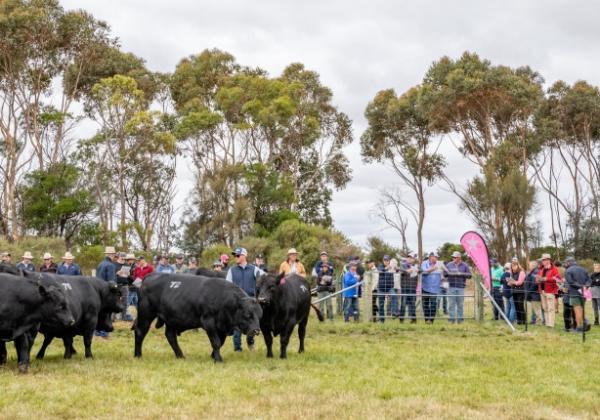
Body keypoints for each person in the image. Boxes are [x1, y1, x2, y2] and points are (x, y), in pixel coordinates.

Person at [225, 247, 263, 351]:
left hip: (251, 302)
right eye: (235, 255)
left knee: (252, 325)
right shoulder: (231, 270)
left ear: (244, 256)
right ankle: (237, 348)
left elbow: (264, 278)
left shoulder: (254, 269)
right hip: (238, 303)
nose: (235, 257)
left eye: (237, 255)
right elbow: (227, 286)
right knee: (237, 326)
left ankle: (250, 342)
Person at [563, 257, 591, 333]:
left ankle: (579, 328)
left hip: (574, 293)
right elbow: (589, 280)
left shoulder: (568, 271)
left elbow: (571, 282)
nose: (565, 264)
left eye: (565, 262)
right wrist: (585, 286)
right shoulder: (584, 269)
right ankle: (585, 322)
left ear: (569, 262)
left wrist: (580, 287)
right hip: (584, 293)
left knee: (577, 310)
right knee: (581, 309)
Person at [444, 251, 472, 324]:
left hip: (461, 287)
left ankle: (460, 320)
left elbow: (469, 275)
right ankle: (451, 320)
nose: (454, 258)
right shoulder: (449, 265)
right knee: (451, 304)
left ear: (459, 258)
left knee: (460, 304)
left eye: (455, 257)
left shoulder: (465, 265)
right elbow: (444, 274)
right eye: (453, 257)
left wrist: (461, 274)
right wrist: (449, 273)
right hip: (451, 287)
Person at [95, 246, 117, 338]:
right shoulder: (111, 265)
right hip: (107, 291)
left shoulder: (100, 264)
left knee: (99, 312)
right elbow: (111, 281)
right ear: (111, 255)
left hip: (98, 290)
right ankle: (104, 333)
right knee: (107, 314)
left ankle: (97, 331)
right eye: (114, 255)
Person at [537, 253, 560, 328]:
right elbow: (538, 278)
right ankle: (547, 323)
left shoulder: (554, 269)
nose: (543, 261)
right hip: (542, 291)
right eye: (543, 260)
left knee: (551, 308)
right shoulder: (541, 269)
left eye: (544, 260)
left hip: (550, 291)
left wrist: (547, 279)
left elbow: (558, 279)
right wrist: (538, 280)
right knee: (545, 308)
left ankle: (551, 324)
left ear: (548, 260)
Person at [421, 253, 444, 324]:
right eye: (435, 257)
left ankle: (431, 320)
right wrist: (433, 269)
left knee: (433, 304)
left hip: (435, 288)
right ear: (430, 257)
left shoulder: (439, 264)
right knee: (425, 304)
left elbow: (445, 273)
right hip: (425, 287)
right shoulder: (424, 263)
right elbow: (424, 272)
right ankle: (426, 319)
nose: (436, 258)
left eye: (437, 257)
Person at [399, 254, 419, 324]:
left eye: (411, 258)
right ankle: (401, 319)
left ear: (414, 259)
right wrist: (407, 270)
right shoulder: (403, 265)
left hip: (413, 287)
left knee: (412, 304)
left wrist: (418, 269)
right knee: (403, 303)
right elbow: (401, 270)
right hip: (405, 287)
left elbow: (421, 271)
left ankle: (413, 319)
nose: (410, 259)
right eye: (409, 257)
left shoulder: (416, 266)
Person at [507, 259, 526, 325]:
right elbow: (510, 283)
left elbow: (520, 282)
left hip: (520, 291)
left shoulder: (521, 272)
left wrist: (513, 282)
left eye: (515, 265)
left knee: (521, 307)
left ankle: (523, 321)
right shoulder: (512, 273)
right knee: (516, 307)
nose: (513, 267)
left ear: (518, 265)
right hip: (514, 291)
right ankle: (519, 321)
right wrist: (509, 282)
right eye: (512, 266)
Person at [377, 255, 395, 323]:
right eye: (385, 260)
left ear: (389, 261)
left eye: (387, 260)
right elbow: (380, 271)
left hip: (389, 287)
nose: (386, 261)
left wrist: (395, 268)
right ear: (383, 260)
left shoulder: (392, 267)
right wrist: (386, 268)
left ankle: (394, 312)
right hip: (381, 288)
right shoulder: (380, 266)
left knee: (394, 296)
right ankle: (382, 320)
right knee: (381, 304)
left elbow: (392, 278)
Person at [525, 261, 542, 325]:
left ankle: (539, 322)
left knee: (537, 309)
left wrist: (529, 291)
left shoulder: (535, 272)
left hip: (535, 294)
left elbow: (535, 284)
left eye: (529, 265)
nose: (529, 266)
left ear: (533, 266)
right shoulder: (532, 272)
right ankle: (534, 320)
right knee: (534, 309)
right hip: (532, 294)